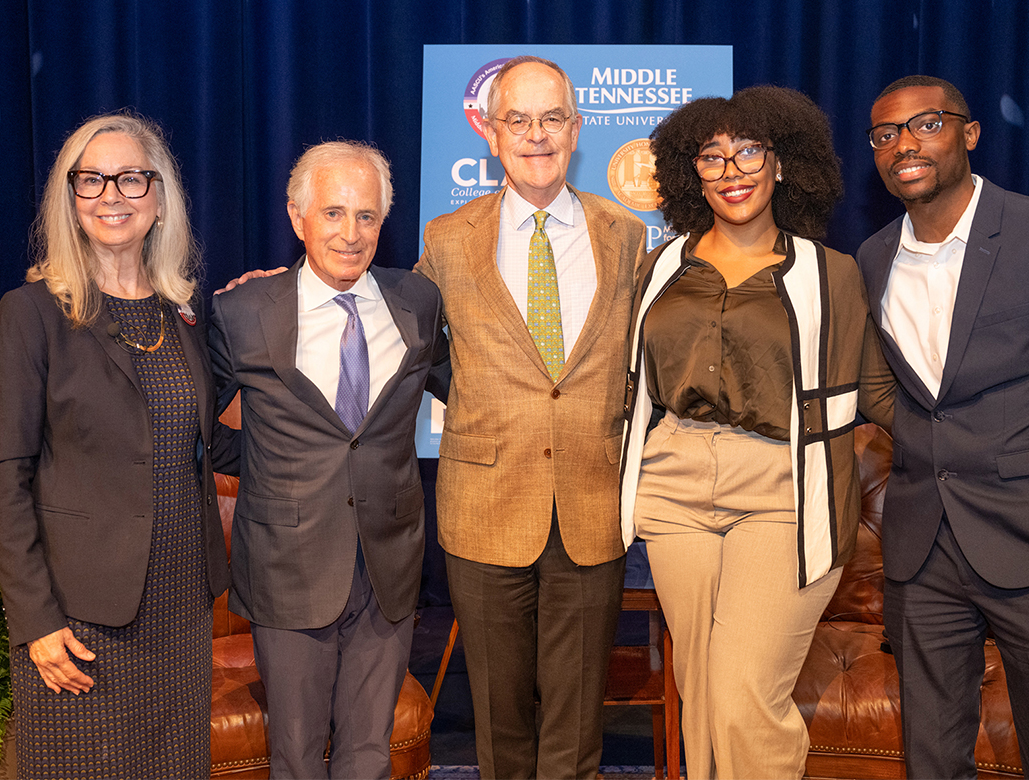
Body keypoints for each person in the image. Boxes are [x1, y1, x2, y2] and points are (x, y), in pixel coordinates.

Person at [857, 75, 1029, 779]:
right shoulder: (872, 259)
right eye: (886, 134)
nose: (904, 145)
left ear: (969, 133)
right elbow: (914, 398)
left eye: (925, 124)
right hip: (923, 555)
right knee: (932, 759)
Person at [618, 86, 895, 779]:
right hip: (676, 487)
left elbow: (878, 390)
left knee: (745, 693)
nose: (732, 169)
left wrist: (985, 433)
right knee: (706, 690)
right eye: (712, 157)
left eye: (748, 152)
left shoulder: (830, 274)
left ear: (781, 163)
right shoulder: (661, 269)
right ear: (691, 174)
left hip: (785, 493)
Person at [0, 112, 239, 778]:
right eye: (90, 181)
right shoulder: (32, 313)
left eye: (130, 178)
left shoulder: (182, 314)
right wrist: (36, 621)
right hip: (79, 620)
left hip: (180, 612)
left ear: (158, 200)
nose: (110, 196)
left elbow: (204, 447)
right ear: (70, 200)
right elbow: (4, 476)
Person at [416, 55, 646, 779]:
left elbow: (647, 359)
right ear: (490, 132)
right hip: (484, 507)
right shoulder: (449, 238)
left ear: (576, 130)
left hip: (591, 506)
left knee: (577, 734)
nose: (536, 135)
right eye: (519, 119)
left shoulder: (628, 236)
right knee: (501, 725)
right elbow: (409, 340)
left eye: (553, 118)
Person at [208, 140, 448, 779]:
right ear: (297, 218)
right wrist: (266, 469)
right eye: (334, 213)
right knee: (296, 757)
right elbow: (198, 428)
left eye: (366, 216)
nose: (351, 233)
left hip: (388, 569)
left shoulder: (418, 304)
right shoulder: (242, 311)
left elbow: (468, 395)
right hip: (288, 570)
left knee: (368, 756)